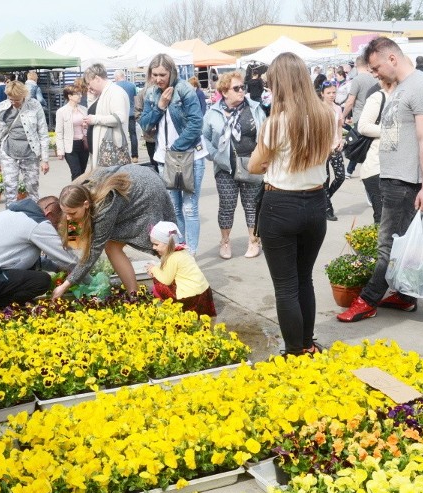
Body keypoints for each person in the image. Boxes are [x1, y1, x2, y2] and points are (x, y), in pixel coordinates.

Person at [338, 36, 423, 323]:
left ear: (392, 59)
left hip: (406, 181)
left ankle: (367, 300)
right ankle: (406, 297)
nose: (374, 74)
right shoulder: (401, 86)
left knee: (388, 244)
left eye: (375, 68)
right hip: (393, 177)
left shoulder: (421, 87)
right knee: (400, 243)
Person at [246, 52, 335, 357]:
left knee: (285, 286)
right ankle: (307, 343)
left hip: (280, 204)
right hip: (315, 203)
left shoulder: (276, 122)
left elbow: (254, 167)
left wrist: (272, 161)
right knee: (304, 279)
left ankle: (295, 352)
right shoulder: (326, 115)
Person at [51, 165, 177, 299]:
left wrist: (65, 285)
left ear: (86, 204)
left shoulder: (105, 207)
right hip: (133, 179)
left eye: (72, 213)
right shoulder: (77, 194)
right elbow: (72, 239)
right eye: (66, 213)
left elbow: (93, 252)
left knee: (160, 244)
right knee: (112, 247)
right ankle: (134, 296)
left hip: (147, 191)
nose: (68, 218)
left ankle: (185, 284)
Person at [140, 53, 206, 255]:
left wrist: (176, 147)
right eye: (155, 75)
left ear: (172, 72)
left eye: (162, 74)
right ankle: (180, 249)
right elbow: (145, 124)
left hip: (189, 156)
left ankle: (191, 253)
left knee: (189, 208)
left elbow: (196, 123)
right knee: (174, 209)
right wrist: (159, 107)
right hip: (164, 159)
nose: (158, 79)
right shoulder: (151, 93)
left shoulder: (184, 89)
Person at [0, 197, 77, 311]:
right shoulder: (37, 224)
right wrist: (88, 280)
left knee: (31, 270)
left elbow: (23, 258)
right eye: (57, 223)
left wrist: (57, 267)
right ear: (49, 214)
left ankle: (7, 303)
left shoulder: (14, 213)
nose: (56, 228)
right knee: (42, 281)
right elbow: (68, 258)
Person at [203, 70, 266, 259]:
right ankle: (225, 242)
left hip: (251, 165)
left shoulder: (254, 109)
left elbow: (264, 136)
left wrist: (261, 157)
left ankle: (254, 241)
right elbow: (204, 137)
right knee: (227, 206)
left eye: (243, 87)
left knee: (251, 205)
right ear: (224, 92)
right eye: (236, 88)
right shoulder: (213, 112)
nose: (241, 91)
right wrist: (215, 155)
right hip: (225, 167)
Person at [0, 80, 50, 202]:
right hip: (8, 153)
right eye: (10, 99)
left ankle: (33, 217)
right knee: (10, 190)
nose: (13, 103)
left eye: (16, 100)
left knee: (32, 189)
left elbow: (43, 133)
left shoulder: (34, 105)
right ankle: (11, 216)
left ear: (24, 95)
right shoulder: (2, 107)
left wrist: (45, 159)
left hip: (30, 153)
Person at [145, 221, 217, 317]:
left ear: (167, 243)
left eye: (156, 244)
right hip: (205, 294)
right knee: (162, 274)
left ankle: (168, 308)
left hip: (190, 299)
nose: (153, 247)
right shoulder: (182, 251)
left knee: (158, 283)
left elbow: (166, 280)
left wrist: (153, 270)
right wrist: (157, 268)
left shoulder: (172, 257)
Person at [357, 72, 392, 224]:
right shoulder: (379, 97)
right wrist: (392, 131)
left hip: (396, 169)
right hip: (376, 167)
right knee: (383, 217)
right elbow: (363, 126)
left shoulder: (406, 96)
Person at [82, 63, 130, 171]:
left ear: (97, 78)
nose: (89, 87)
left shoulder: (115, 92)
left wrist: (95, 119)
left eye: (89, 84)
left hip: (111, 151)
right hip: (101, 150)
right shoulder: (101, 94)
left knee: (110, 184)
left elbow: (119, 118)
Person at [342, 56, 379, 176]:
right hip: (373, 116)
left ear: (357, 66)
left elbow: (350, 101)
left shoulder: (357, 80)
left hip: (360, 117)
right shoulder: (374, 79)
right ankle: (366, 170)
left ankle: (349, 171)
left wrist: (343, 116)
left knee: (357, 144)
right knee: (368, 145)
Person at [320, 81, 346, 221]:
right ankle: (328, 208)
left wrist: (340, 140)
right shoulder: (318, 108)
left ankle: (325, 198)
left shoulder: (338, 108)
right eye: (328, 93)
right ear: (322, 94)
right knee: (325, 179)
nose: (331, 95)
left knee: (340, 176)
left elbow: (339, 126)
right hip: (323, 148)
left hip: (335, 147)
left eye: (334, 92)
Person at [54, 84, 89, 180]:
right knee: (76, 173)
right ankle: (75, 194)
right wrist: (60, 150)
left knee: (82, 173)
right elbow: (59, 132)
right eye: (77, 94)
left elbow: (88, 127)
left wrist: (86, 126)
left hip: (83, 143)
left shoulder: (84, 109)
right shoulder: (61, 112)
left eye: (80, 93)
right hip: (70, 146)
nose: (80, 96)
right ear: (69, 96)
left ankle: (81, 193)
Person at [114, 70, 139, 162]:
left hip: (120, 114)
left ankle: (122, 155)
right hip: (131, 113)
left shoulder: (115, 86)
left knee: (120, 135)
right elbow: (135, 99)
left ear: (116, 77)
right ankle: (135, 156)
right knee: (133, 134)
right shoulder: (132, 85)